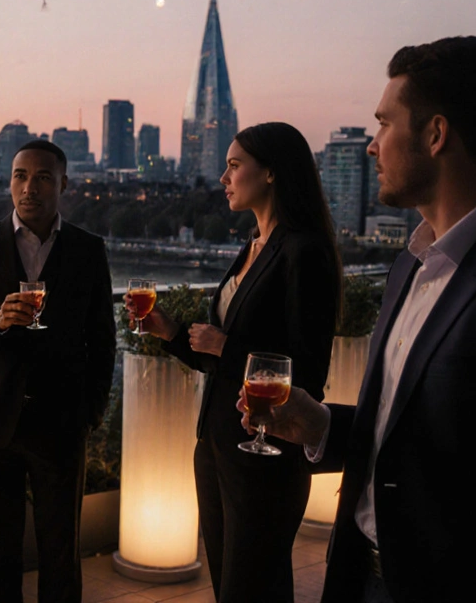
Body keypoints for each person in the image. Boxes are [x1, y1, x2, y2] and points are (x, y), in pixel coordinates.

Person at [242, 36, 476, 602]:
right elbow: (413, 434)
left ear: (436, 135)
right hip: (360, 578)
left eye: (384, 123)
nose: (371, 145)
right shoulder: (409, 265)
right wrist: (320, 427)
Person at [126, 121, 341, 602]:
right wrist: (171, 333)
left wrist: (227, 347)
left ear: (270, 173)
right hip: (218, 444)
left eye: (234, 165)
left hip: (265, 452)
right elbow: (218, 357)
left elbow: (307, 371)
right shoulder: (253, 246)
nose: (223, 177)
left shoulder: (304, 252)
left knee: (254, 587)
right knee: (228, 584)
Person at [0, 140, 115, 603]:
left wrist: (91, 412)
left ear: (63, 183)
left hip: (62, 423)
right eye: (20, 176)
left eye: (42, 177)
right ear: (9, 182)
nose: (29, 187)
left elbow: (103, 340)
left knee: (61, 555)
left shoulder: (87, 250)